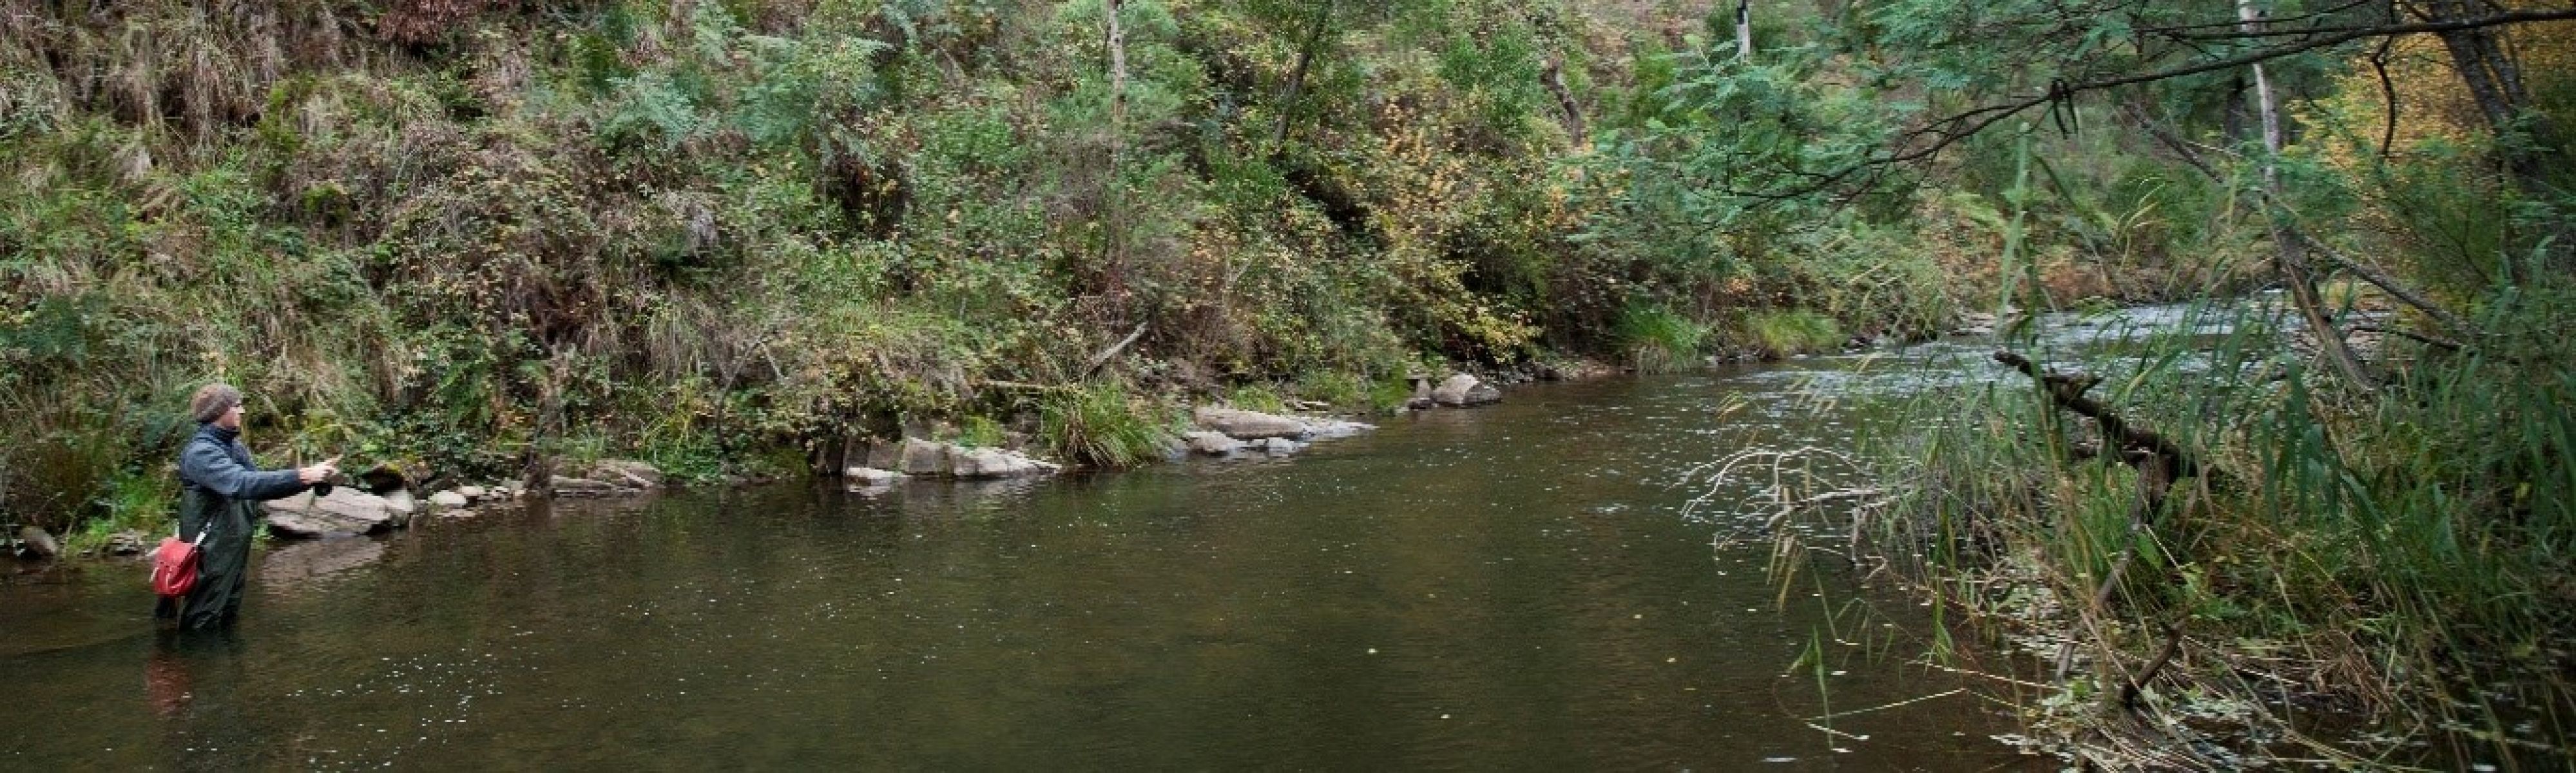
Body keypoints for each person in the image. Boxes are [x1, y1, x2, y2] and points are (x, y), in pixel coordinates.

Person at [155, 383, 336, 630]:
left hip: (232, 550)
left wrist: (312, 480)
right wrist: (303, 476)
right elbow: (241, 484)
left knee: (227, 618)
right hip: (208, 554)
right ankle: (191, 666)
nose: (242, 411)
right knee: (202, 622)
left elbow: (259, 487)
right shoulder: (201, 453)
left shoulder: (234, 448)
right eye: (237, 406)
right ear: (219, 412)